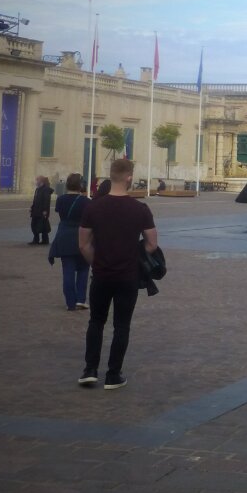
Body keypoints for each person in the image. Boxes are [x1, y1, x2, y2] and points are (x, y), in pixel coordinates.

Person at [77, 158, 158, 390]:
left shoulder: (93, 207)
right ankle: (113, 374)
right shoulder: (140, 209)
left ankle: (90, 370)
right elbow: (152, 243)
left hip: (101, 275)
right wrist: (133, 255)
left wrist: (97, 263)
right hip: (127, 276)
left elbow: (83, 244)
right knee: (122, 325)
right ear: (129, 177)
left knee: (96, 321)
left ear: (110, 175)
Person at [50, 173, 91, 310]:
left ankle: (70, 302)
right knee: (83, 269)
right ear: (81, 185)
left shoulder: (60, 199)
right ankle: (81, 299)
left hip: (64, 236)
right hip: (81, 235)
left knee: (68, 271)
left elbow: (61, 214)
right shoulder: (86, 201)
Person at [29, 175, 53, 245]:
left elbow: (46, 200)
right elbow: (35, 200)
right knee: (34, 225)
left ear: (41, 181)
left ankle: (45, 240)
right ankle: (36, 239)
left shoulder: (46, 190)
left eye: (37, 180)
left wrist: (45, 210)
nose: (36, 182)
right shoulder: (37, 189)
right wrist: (32, 207)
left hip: (42, 211)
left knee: (43, 226)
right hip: (36, 211)